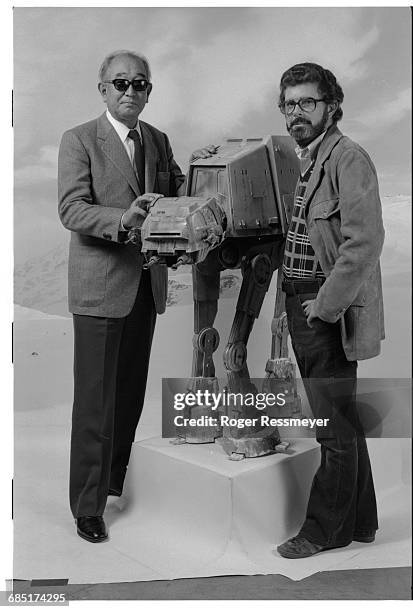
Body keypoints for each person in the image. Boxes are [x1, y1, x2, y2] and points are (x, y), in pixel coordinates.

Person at [58, 50, 215, 543]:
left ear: (149, 91)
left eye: (140, 84)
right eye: (121, 83)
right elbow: (71, 209)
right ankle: (87, 507)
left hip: (146, 288)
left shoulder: (157, 140)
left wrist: (205, 172)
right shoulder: (79, 139)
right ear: (102, 89)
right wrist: (122, 220)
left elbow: (177, 189)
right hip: (100, 287)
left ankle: (112, 483)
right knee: (94, 402)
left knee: (127, 397)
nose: (131, 91)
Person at [275, 62, 385, 558]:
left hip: (324, 311)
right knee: (341, 420)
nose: (296, 112)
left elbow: (363, 243)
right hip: (303, 302)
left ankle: (324, 531)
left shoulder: (348, 158)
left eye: (307, 103)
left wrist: (323, 308)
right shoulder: (308, 157)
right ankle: (361, 522)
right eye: (289, 104)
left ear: (331, 106)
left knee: (331, 427)